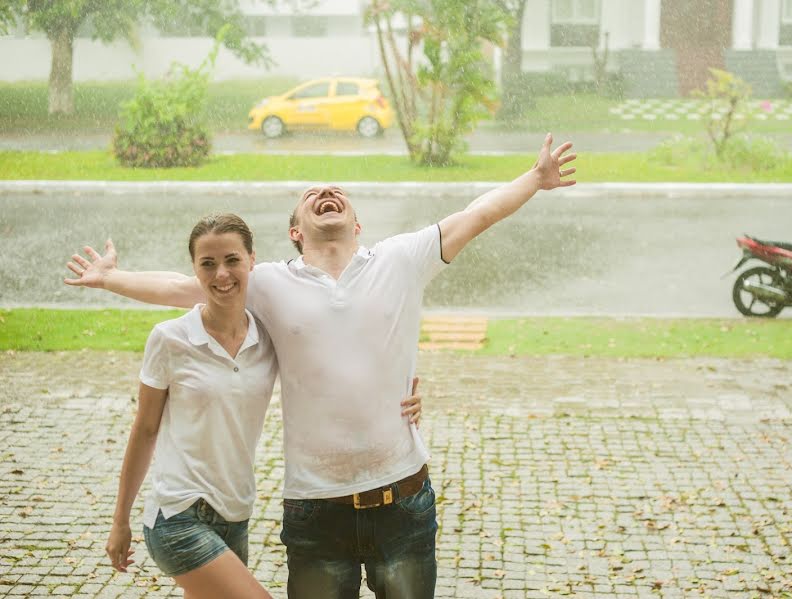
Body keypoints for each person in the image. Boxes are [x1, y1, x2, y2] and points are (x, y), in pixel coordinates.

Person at [66, 133, 576, 598]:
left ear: (356, 224)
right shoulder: (265, 282)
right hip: (315, 510)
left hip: (403, 498)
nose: (325, 190)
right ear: (295, 230)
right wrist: (111, 278)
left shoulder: (401, 259)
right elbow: (183, 287)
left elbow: (477, 214)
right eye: (311, 194)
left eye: (336, 191)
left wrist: (535, 178)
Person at [100, 214, 423, 599]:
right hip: (178, 515)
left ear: (252, 260)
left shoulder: (267, 338)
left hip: (235, 517)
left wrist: (398, 397)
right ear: (195, 270)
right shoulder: (169, 339)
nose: (221, 274)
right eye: (207, 264)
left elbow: (338, 357)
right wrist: (120, 520)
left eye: (232, 260)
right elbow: (145, 430)